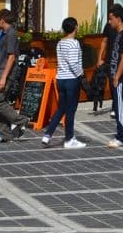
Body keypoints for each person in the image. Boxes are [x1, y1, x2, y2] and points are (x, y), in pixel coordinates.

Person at [41, 17, 85, 149]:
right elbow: (73, 62)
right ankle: (69, 138)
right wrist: (81, 74)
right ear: (75, 27)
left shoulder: (60, 43)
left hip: (61, 78)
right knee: (71, 110)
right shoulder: (74, 43)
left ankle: (48, 134)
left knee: (61, 108)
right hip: (71, 79)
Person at [0, 9, 27, 143]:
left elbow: (11, 57)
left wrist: (4, 77)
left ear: (2, 20)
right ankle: (6, 134)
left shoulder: (11, 34)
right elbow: (3, 53)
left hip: (6, 72)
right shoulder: (4, 34)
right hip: (0, 69)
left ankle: (22, 120)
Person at [102, 3, 123, 148]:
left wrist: (117, 76)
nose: (109, 22)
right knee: (119, 104)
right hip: (115, 73)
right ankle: (121, 133)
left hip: (120, 76)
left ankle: (122, 136)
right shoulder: (118, 34)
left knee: (121, 105)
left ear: (118, 19)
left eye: (111, 19)